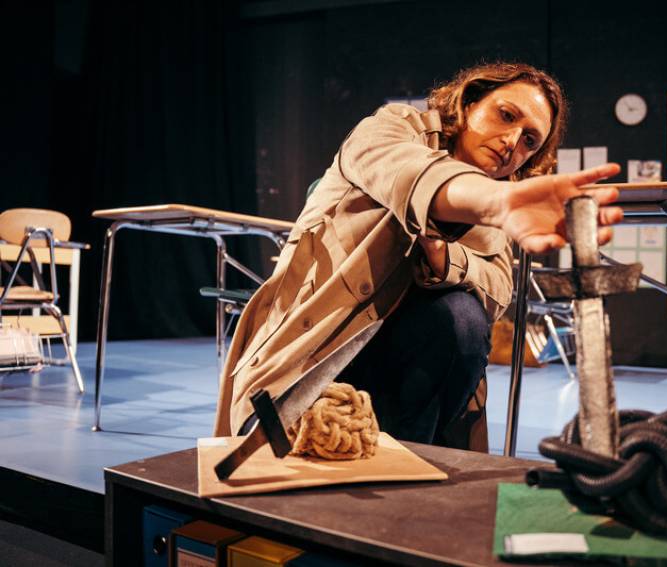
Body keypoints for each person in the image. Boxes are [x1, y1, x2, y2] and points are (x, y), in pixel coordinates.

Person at [213, 62, 622, 451]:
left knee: (462, 317)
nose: (513, 141)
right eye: (505, 115)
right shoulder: (394, 128)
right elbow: (411, 172)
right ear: (469, 103)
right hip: (316, 351)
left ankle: (405, 462)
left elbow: (499, 288)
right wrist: (496, 202)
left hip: (411, 383)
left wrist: (446, 258)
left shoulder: (500, 203)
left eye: (530, 140)